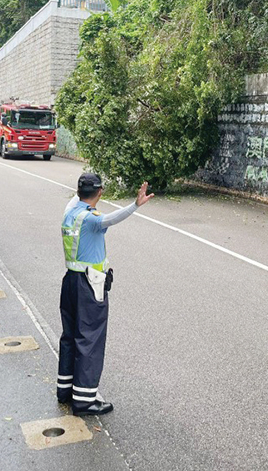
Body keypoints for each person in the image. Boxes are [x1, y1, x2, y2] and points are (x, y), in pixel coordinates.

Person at [57, 173, 153, 415]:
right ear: (100, 192)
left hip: (70, 281)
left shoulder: (70, 212)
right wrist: (135, 205)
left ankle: (66, 390)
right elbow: (111, 219)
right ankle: (85, 400)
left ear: (79, 192)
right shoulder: (91, 220)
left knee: (70, 337)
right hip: (90, 284)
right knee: (90, 339)